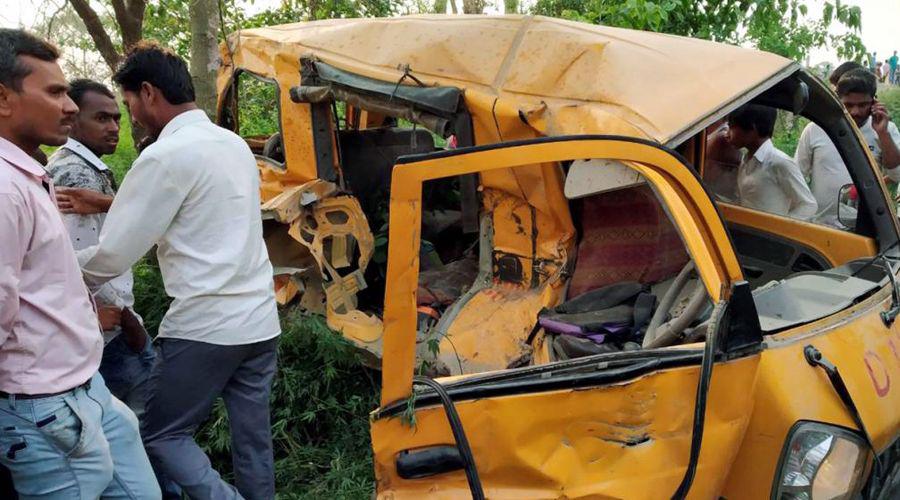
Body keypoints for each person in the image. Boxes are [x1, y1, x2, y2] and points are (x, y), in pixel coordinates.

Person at [77, 42, 281, 500]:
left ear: (147, 92)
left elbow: (114, 255)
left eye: (127, 103)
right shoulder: (232, 145)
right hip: (261, 321)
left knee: (163, 435)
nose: (129, 115)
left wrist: (56, 269)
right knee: (253, 440)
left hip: (206, 326)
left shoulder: (164, 156)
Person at [0, 29, 160, 499]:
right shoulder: (6, 191)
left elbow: (42, 276)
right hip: (42, 404)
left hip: (83, 388)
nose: (68, 105)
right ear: (3, 99)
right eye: (53, 92)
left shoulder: (29, 175)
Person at [45, 78, 156, 416]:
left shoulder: (86, 169)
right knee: (147, 427)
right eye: (101, 118)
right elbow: (81, 259)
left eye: (116, 118)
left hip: (108, 328)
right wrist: (123, 317)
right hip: (110, 333)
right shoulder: (75, 175)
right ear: (73, 120)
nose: (113, 127)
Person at [796, 67, 900, 226]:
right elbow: (798, 175)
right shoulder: (815, 129)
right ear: (837, 99)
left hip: (866, 227)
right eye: (848, 105)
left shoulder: (886, 129)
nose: (855, 111)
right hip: (821, 227)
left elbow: (896, 174)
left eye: (863, 105)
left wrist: (883, 134)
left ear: (874, 101)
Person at [726, 103, 817, 220]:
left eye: (732, 127)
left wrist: (780, 227)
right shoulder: (745, 160)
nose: (727, 134)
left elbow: (808, 205)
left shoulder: (779, 162)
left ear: (752, 128)